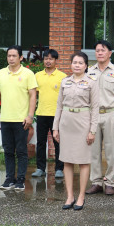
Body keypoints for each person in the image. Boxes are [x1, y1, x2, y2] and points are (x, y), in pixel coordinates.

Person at [53, 52, 99, 210]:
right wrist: (55, 127)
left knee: (83, 161)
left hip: (83, 123)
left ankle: (81, 197)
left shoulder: (91, 83)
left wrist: (92, 130)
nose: (77, 65)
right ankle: (70, 196)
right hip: (66, 123)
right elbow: (59, 105)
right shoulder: (65, 82)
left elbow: (95, 108)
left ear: (86, 66)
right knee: (67, 160)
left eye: (80, 63)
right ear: (70, 64)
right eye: (74, 62)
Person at [85, 40, 114, 195]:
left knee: (111, 150)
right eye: (97, 50)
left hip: (111, 113)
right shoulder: (89, 72)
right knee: (93, 150)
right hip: (94, 114)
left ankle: (110, 182)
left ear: (110, 53)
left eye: (103, 50)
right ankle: (96, 182)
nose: (99, 53)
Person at [0, 45, 38, 191]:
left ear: (21, 58)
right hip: (5, 118)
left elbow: (33, 95)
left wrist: (30, 115)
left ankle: (20, 179)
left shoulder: (28, 73)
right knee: (8, 150)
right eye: (9, 56)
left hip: (22, 120)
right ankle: (9, 179)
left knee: (21, 151)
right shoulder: (0, 73)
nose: (11, 58)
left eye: (14, 56)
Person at [32, 49, 67, 179]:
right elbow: (33, 95)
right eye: (46, 58)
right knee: (41, 142)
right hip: (41, 113)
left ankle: (59, 169)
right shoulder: (37, 76)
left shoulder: (62, 76)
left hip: (57, 115)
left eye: (51, 59)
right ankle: (40, 168)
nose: (48, 61)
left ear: (55, 60)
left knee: (58, 142)